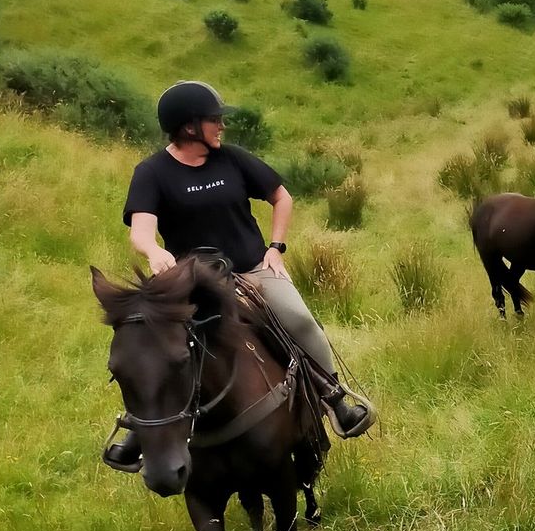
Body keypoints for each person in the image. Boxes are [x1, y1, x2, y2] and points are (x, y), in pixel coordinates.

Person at [103, 80, 374, 470]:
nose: (221, 126)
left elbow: (282, 197)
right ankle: (138, 429)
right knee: (150, 344)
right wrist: (154, 250)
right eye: (214, 120)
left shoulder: (232, 158)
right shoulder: (152, 172)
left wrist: (275, 248)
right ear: (189, 126)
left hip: (251, 270)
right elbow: (141, 230)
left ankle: (334, 398)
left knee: (299, 321)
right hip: (194, 282)